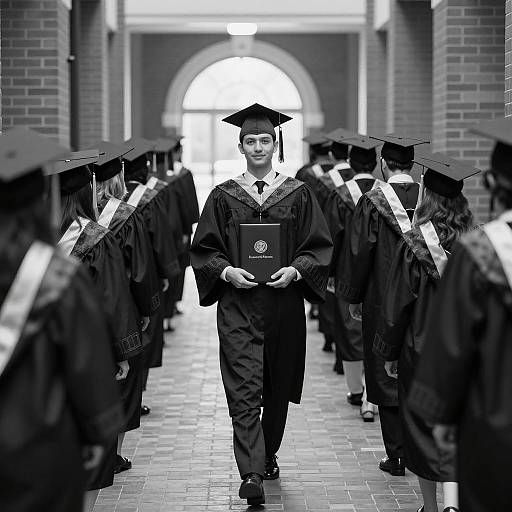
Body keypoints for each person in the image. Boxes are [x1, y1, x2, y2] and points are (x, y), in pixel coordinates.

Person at [191, 103, 333, 506]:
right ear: (240, 146)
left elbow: (319, 245)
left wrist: (297, 270)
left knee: (276, 385)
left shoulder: (298, 193)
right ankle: (251, 471)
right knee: (243, 387)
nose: (258, 147)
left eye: (264, 140)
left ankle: (267, 451)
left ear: (276, 143)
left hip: (283, 304)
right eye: (250, 141)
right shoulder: (222, 196)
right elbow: (203, 248)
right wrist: (225, 272)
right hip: (238, 304)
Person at [0, 128, 124, 512]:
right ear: (39, 198)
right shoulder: (56, 276)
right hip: (42, 443)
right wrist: (98, 435)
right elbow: (86, 365)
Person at [408, 118, 512, 512]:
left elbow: (453, 346)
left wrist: (442, 415)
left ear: (493, 185)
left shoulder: (483, 253)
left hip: (494, 421)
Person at [374, 151, 478, 512]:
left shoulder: (415, 243)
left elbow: (397, 305)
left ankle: (432, 508)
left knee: (422, 427)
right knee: (458, 423)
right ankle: (456, 501)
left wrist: (387, 352)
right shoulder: (479, 242)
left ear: (427, 197)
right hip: (467, 350)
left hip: (422, 350)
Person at [49, 151, 143, 497]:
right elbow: (112, 300)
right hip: (87, 358)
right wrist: (123, 353)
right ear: (86, 189)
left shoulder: (30, 240)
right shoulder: (95, 238)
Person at [338, 134, 428, 475]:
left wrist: (353, 297)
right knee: (419, 370)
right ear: (413, 165)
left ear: (383, 164)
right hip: (427, 301)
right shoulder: (431, 199)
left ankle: (397, 455)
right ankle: (421, 449)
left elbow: (359, 252)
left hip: (382, 300)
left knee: (387, 369)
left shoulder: (372, 200)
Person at [326, 135, 384, 421]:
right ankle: (374, 395)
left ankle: (356, 391)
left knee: (351, 330)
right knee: (378, 332)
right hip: (384, 277)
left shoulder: (340, 194)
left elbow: (332, 238)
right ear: (376, 165)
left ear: (350, 163)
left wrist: (329, 273)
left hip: (347, 274)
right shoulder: (389, 197)